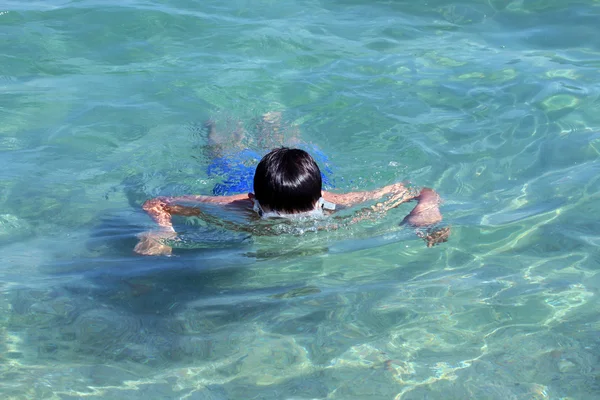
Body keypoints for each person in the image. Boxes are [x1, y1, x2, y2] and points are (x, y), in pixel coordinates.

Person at [134, 145, 449, 255]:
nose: (292, 224)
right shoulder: (234, 206)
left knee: (285, 138)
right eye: (279, 216)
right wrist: (162, 233)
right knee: (224, 153)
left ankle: (274, 116)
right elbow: (157, 202)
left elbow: (418, 191)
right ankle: (218, 128)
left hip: (286, 183)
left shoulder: (335, 202)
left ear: (320, 198)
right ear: (253, 201)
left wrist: (427, 211)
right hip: (237, 177)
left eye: (303, 214)